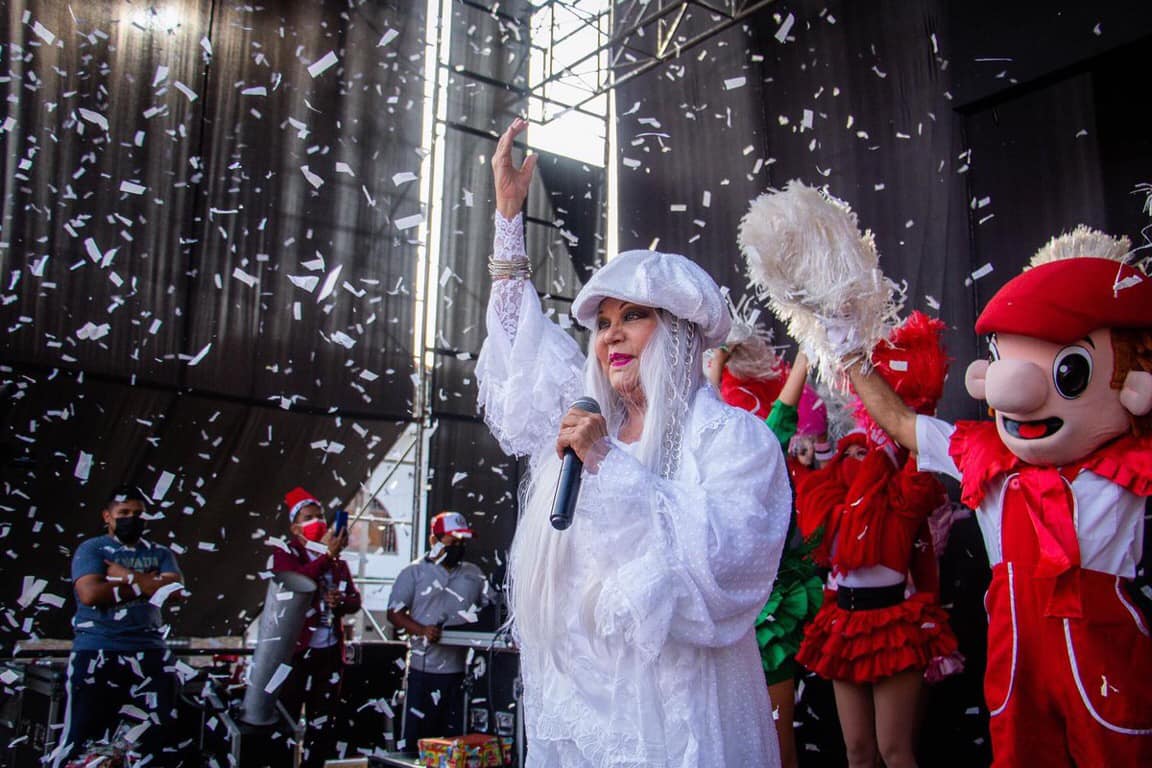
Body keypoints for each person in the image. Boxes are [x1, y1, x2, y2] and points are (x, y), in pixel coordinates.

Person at [476, 117, 792, 767]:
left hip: (676, 716)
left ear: (677, 329)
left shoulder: (734, 439)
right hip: (579, 710)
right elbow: (522, 356)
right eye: (606, 322)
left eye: (635, 317)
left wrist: (610, 469)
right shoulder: (586, 420)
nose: (612, 335)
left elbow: (725, 565)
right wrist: (510, 219)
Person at [842, 231, 1152, 766]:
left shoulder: (1126, 463)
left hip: (1108, 661)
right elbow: (897, 422)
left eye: (1067, 372)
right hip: (1017, 660)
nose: (1014, 392)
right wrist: (845, 347)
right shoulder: (982, 456)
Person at [792, 313, 958, 768]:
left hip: (891, 624)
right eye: (853, 451)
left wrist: (910, 410)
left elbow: (920, 459)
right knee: (858, 753)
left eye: (870, 450)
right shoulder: (828, 505)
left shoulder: (902, 501)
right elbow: (800, 475)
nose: (861, 457)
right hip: (843, 624)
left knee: (895, 750)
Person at [53, 485, 185, 767]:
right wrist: (149, 584)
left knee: (153, 738)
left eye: (137, 513)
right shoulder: (92, 548)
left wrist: (123, 575)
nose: (131, 518)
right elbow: (91, 593)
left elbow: (175, 592)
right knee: (82, 737)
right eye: (123, 513)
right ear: (107, 516)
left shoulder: (160, 552)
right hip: (97, 650)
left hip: (150, 653)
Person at [272, 486, 362, 768]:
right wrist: (326, 556)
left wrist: (341, 600)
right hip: (296, 651)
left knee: (322, 721)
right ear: (295, 526)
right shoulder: (285, 553)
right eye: (309, 517)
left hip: (329, 651)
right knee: (286, 718)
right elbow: (296, 583)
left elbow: (355, 600)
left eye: (320, 515)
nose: (317, 521)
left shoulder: (338, 562)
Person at [386, 511, 492, 750]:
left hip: (458, 672)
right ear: (434, 541)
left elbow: (491, 607)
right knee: (418, 741)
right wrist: (422, 630)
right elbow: (394, 613)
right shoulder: (413, 573)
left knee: (452, 743)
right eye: (453, 542)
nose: (458, 547)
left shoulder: (473, 574)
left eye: (462, 543)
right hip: (423, 670)